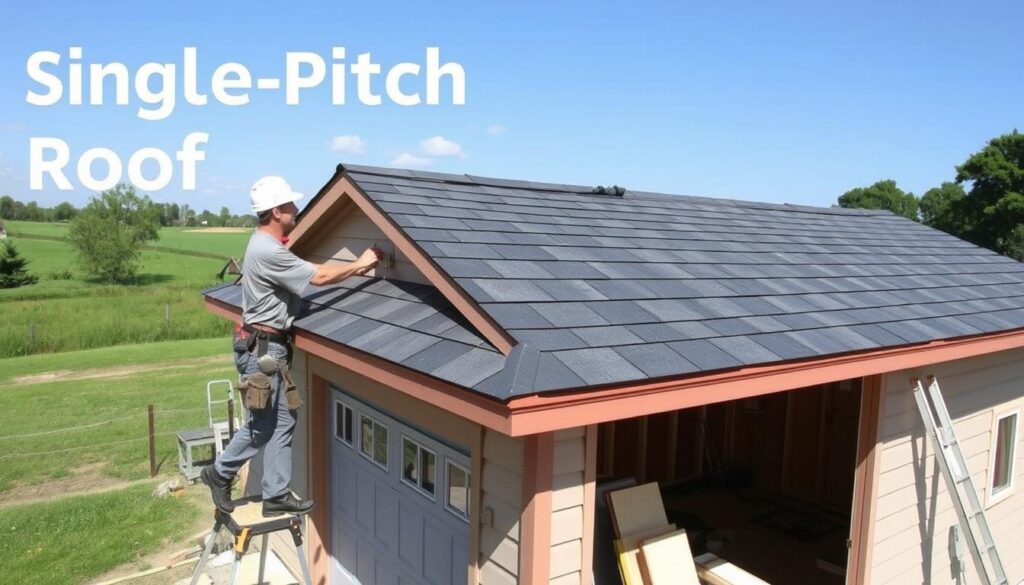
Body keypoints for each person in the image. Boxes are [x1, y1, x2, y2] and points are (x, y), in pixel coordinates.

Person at [201, 175, 381, 517]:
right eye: (290, 205)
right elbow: (320, 277)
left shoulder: (269, 245)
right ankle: (219, 472)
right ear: (275, 211)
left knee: (285, 419)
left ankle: (276, 494)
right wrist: (361, 263)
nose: (297, 209)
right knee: (262, 425)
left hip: (270, 348)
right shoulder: (268, 251)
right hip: (262, 353)